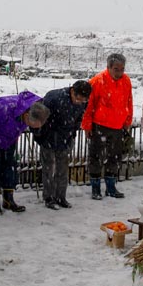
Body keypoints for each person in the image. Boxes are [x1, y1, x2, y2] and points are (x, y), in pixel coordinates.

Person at [0, 92, 50, 216]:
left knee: (10, 170)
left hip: (9, 142)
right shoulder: (3, 107)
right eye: (31, 124)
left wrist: (15, 136)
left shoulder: (34, 110)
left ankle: (8, 200)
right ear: (27, 115)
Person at [81, 53, 133, 199]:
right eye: (116, 69)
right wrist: (87, 126)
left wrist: (127, 121)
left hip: (118, 126)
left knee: (115, 157)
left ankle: (111, 187)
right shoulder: (97, 81)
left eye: (122, 69)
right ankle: (95, 188)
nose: (119, 72)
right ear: (108, 67)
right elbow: (89, 106)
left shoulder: (126, 81)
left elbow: (128, 101)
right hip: (99, 125)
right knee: (96, 157)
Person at [33, 80, 92, 209]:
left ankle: (61, 197)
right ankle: (48, 198)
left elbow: (78, 119)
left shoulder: (83, 103)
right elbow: (39, 117)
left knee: (63, 170)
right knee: (48, 169)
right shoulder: (53, 97)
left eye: (83, 100)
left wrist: (73, 134)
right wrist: (40, 136)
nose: (79, 102)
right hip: (49, 137)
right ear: (72, 91)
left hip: (65, 138)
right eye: (78, 98)